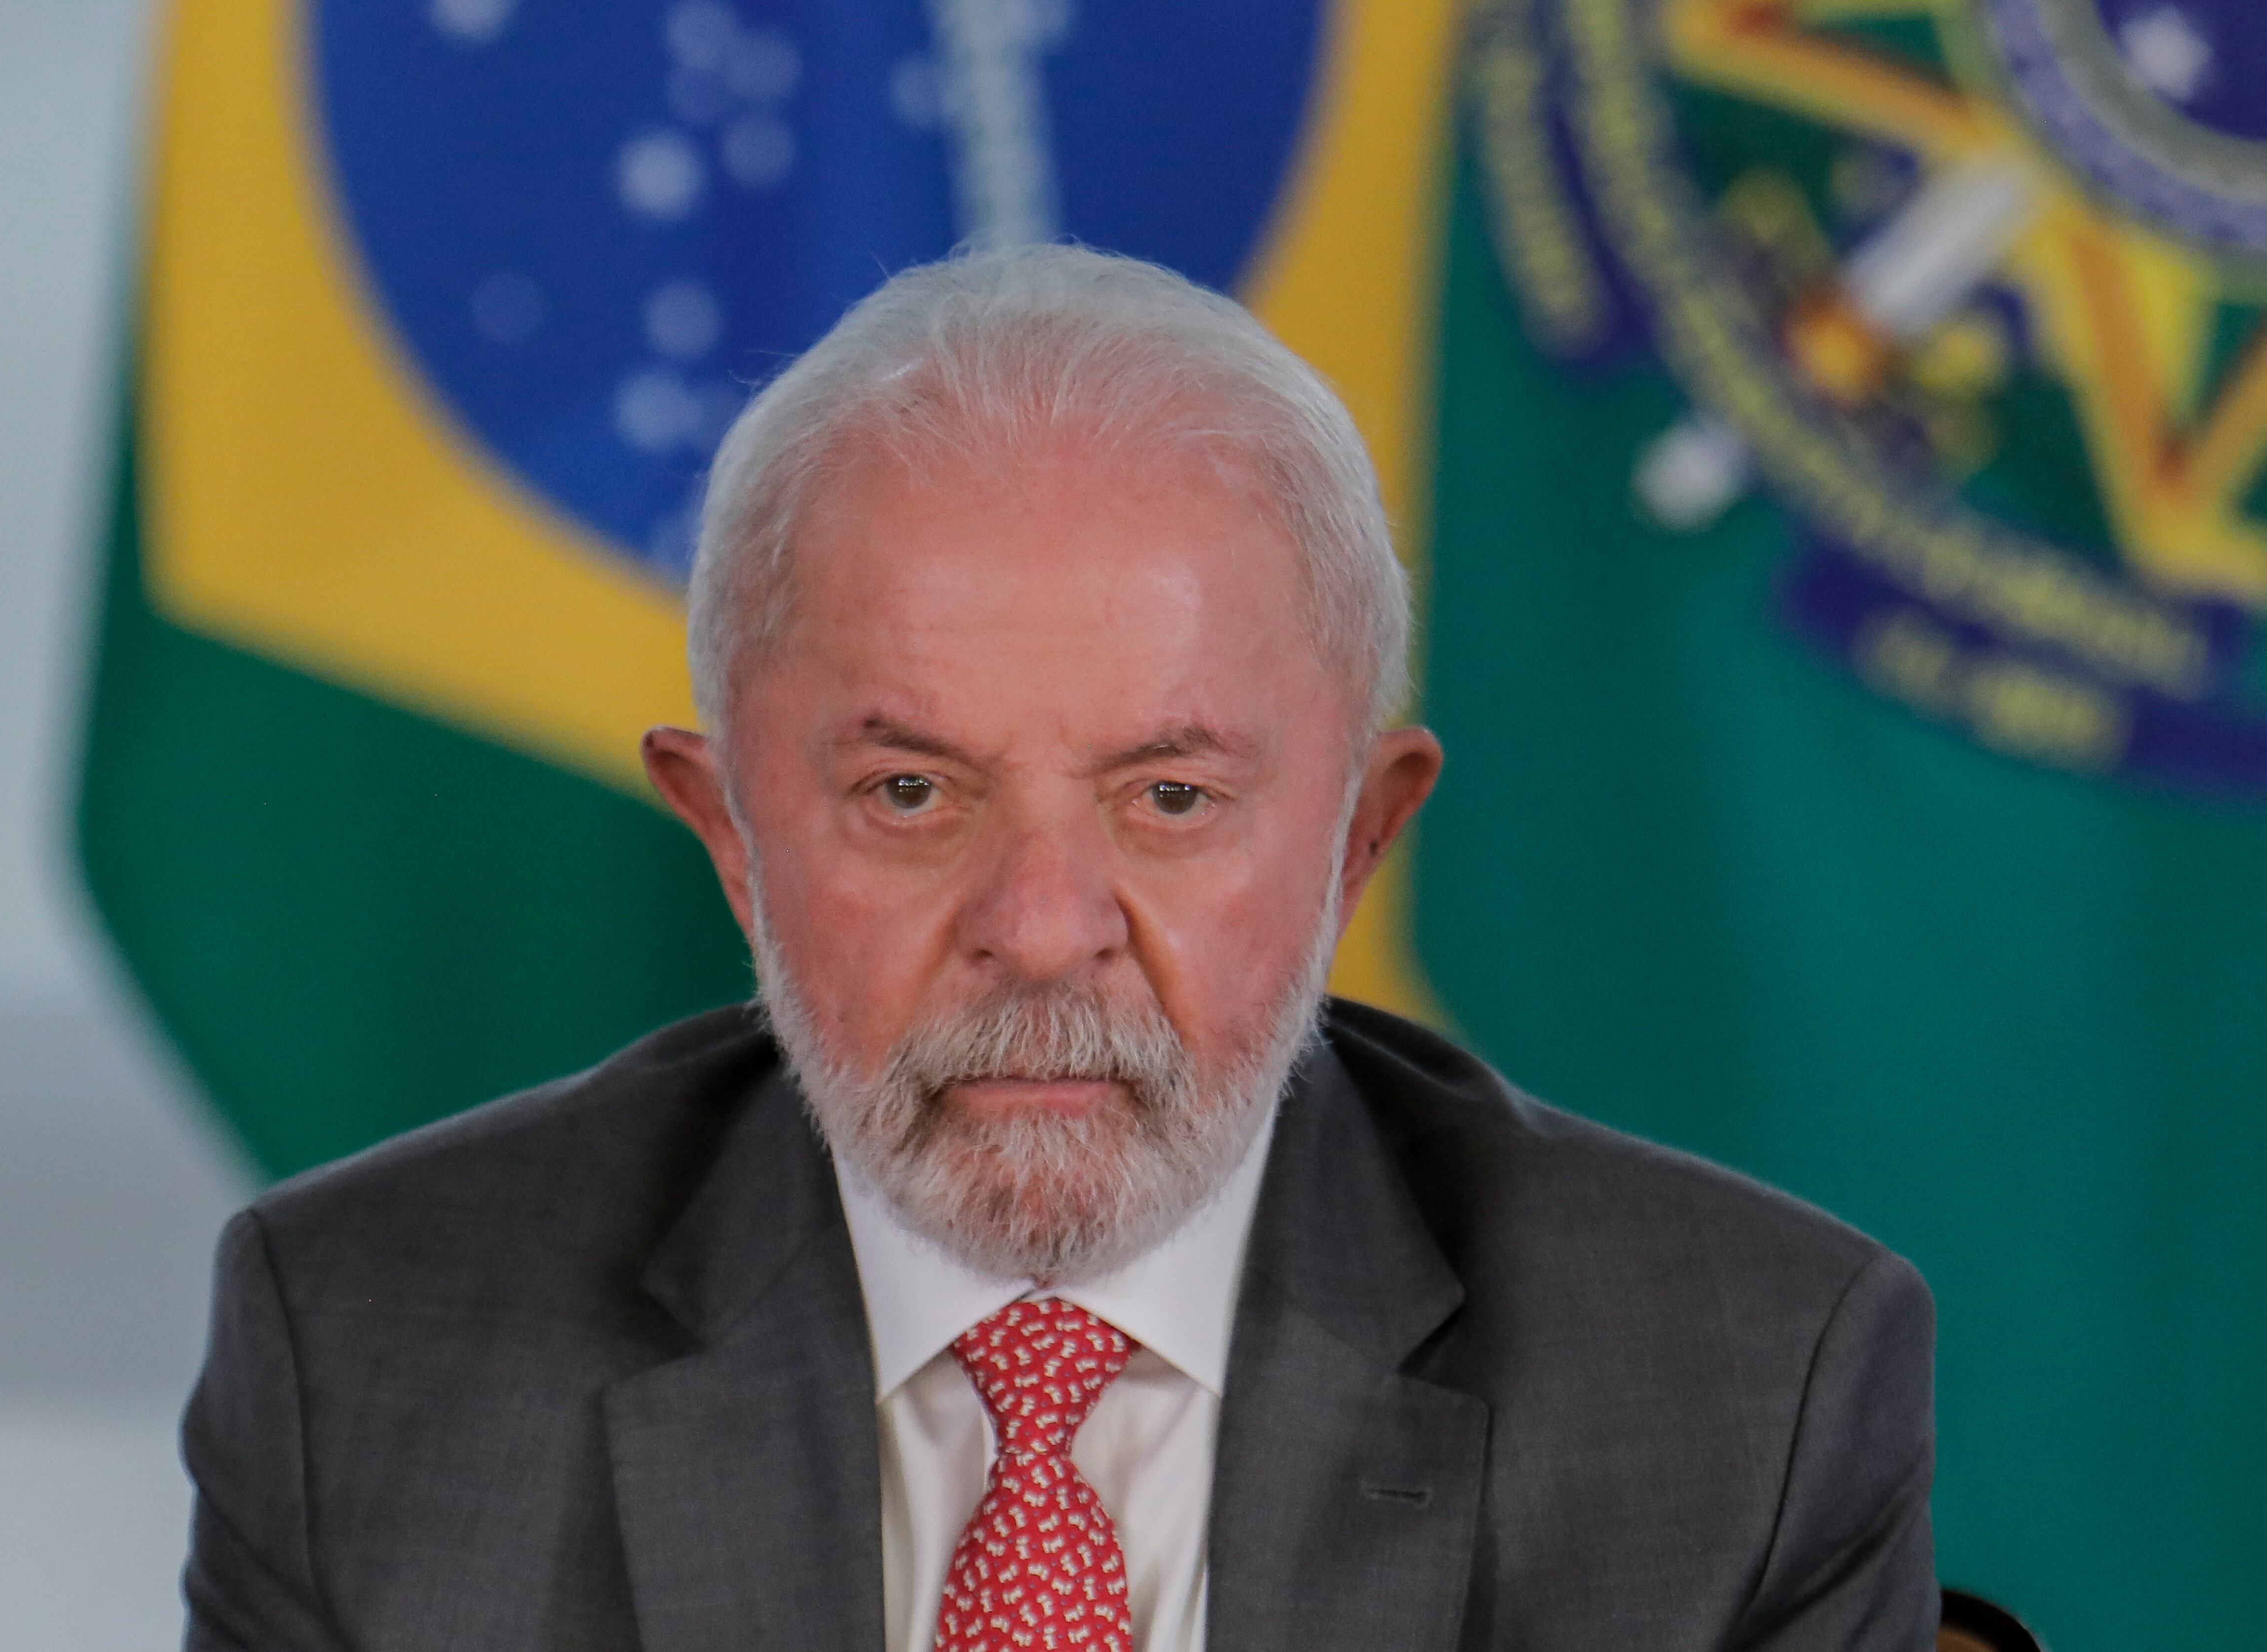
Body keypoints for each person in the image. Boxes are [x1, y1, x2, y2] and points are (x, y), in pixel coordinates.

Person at [180, 245, 1936, 1652]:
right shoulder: (369, 1357)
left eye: (1169, 797)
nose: (1040, 933)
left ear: (1361, 838)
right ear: (727, 837)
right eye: (910, 794)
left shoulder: (1743, 1395)